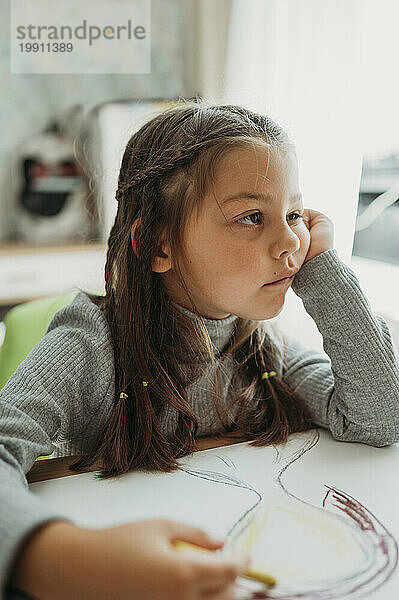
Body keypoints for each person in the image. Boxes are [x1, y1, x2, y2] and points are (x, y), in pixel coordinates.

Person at [1, 101, 398, 600]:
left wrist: (324, 272)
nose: (290, 243)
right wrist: (56, 559)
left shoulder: (260, 344)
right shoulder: (90, 347)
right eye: (252, 216)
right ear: (157, 246)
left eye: (294, 214)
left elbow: (378, 418)